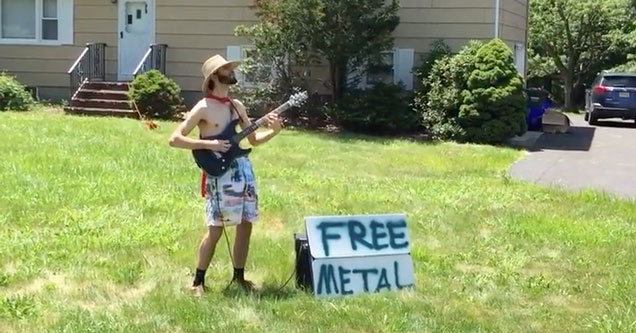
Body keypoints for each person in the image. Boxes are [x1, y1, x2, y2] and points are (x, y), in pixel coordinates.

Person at [168, 54, 282, 296]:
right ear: (214, 77)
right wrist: (210, 145)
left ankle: (239, 277)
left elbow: (253, 140)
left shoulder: (236, 106)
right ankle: (198, 281)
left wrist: (274, 131)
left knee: (246, 224)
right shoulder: (203, 107)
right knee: (216, 229)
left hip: (243, 170)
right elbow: (175, 139)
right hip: (220, 174)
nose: (232, 72)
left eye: (231, 68)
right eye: (226, 69)